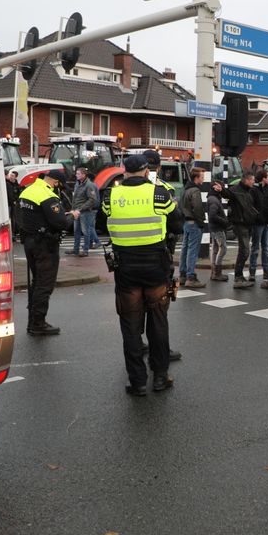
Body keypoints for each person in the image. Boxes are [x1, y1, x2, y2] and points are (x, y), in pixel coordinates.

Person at [104, 154, 183, 395]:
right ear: (146, 171)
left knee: (130, 324)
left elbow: (102, 222)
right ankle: (160, 377)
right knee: (158, 322)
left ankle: (137, 381)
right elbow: (177, 224)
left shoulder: (110, 195)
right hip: (155, 267)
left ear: (124, 171)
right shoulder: (159, 194)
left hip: (125, 268)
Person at [18, 169, 78, 335]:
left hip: (29, 241)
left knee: (36, 281)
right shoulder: (46, 195)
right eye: (59, 185)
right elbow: (61, 223)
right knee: (44, 284)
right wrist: (72, 216)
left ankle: (33, 320)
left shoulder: (28, 190)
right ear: (55, 182)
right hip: (45, 245)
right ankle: (38, 323)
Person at [228, 171, 259, 287]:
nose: (254, 182)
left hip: (247, 223)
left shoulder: (249, 191)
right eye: (252, 180)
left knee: (244, 250)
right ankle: (238, 277)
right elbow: (227, 195)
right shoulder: (236, 190)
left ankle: (239, 276)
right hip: (240, 224)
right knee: (245, 250)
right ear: (246, 180)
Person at [178, 166, 207, 288]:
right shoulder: (195, 191)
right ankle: (191, 276)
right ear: (196, 178)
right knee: (193, 250)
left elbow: (180, 206)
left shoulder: (185, 189)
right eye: (202, 177)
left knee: (185, 248)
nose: (203, 179)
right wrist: (201, 223)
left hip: (186, 222)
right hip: (194, 223)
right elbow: (198, 208)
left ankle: (183, 274)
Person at [68, 167, 100, 257]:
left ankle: (85, 250)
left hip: (84, 212)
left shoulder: (89, 185)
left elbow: (92, 200)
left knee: (85, 231)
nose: (76, 175)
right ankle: (76, 249)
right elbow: (75, 198)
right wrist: (73, 209)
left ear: (83, 175)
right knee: (76, 231)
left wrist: (80, 209)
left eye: (78, 174)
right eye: (76, 173)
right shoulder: (79, 184)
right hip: (77, 211)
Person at [249, 169, 268, 283]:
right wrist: (257, 216)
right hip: (258, 223)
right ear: (263, 178)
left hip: (267, 223)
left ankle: (266, 271)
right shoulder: (254, 190)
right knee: (255, 248)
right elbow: (251, 205)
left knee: (266, 248)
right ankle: (252, 272)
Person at [207, 179, 230, 282]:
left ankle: (214, 272)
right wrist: (224, 222)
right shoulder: (214, 200)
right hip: (217, 228)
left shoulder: (212, 198)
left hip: (213, 227)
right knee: (223, 248)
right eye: (220, 187)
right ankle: (217, 272)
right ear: (215, 187)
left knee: (215, 249)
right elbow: (212, 215)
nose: (222, 189)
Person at [5, 171, 21, 237]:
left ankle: (15, 232)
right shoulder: (7, 183)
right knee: (10, 218)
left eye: (12, 176)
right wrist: (13, 201)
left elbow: (19, 194)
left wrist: (16, 201)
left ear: (16, 177)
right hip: (9, 203)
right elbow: (9, 195)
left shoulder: (17, 185)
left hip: (15, 204)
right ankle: (12, 233)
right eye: (10, 175)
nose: (11, 177)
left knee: (15, 218)